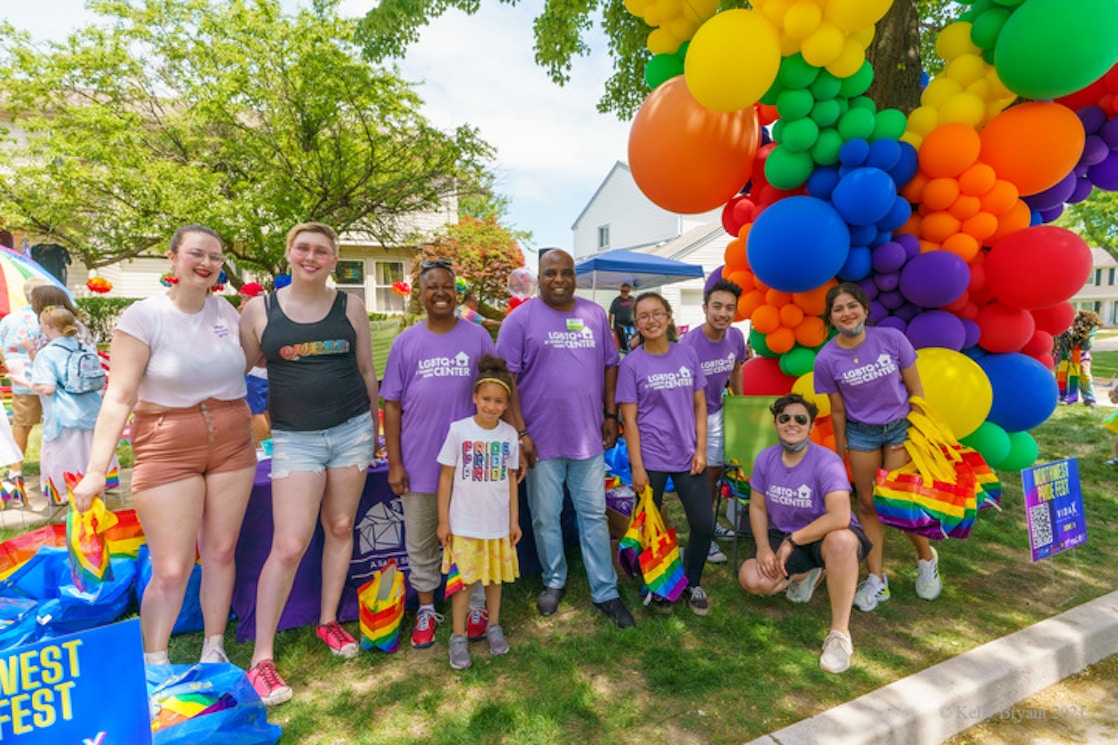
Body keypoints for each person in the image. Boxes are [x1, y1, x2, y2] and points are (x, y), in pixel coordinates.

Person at [73, 224, 256, 667]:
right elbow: (119, 397)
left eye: (215, 256)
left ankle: (215, 648)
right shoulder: (143, 315)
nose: (207, 263)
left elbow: (251, 366)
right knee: (171, 567)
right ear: (172, 258)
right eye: (197, 253)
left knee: (220, 551)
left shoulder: (229, 314)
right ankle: (153, 665)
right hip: (167, 445)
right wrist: (98, 470)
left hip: (233, 440)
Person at [239, 222, 379, 706]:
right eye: (303, 248)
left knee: (340, 526)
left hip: (352, 432)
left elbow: (365, 370)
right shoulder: (260, 309)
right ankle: (261, 658)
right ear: (289, 253)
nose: (311, 256)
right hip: (294, 440)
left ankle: (328, 623)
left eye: (322, 250)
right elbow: (237, 370)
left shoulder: (350, 306)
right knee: (291, 543)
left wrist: (375, 429)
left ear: (334, 260)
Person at [497, 249, 635, 628]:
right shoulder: (519, 320)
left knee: (592, 513)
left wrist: (610, 414)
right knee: (545, 517)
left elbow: (610, 366)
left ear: (574, 276)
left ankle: (605, 591)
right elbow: (506, 379)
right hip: (539, 441)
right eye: (550, 273)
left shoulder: (593, 315)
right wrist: (520, 431)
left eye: (566, 273)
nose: (559, 280)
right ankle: (553, 579)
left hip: (588, 437)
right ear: (538, 278)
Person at [382, 259, 495, 650]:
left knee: (472, 537)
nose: (441, 293)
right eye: (432, 287)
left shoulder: (479, 338)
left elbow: (497, 389)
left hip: (471, 465)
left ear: (457, 292)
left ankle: (476, 605)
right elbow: (392, 406)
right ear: (420, 294)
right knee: (422, 541)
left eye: (447, 286)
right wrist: (395, 462)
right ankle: (428, 608)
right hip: (419, 462)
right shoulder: (406, 342)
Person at [813, 282, 941, 612]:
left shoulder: (892, 339)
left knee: (898, 503)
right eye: (838, 309)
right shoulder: (826, 359)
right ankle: (877, 580)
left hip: (899, 427)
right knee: (867, 505)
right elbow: (838, 409)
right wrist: (839, 449)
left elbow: (916, 391)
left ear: (865, 310)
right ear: (831, 317)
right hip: (861, 434)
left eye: (851, 306)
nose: (846, 313)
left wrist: (918, 429)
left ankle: (926, 559)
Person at [737, 393, 870, 674]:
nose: (792, 424)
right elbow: (758, 508)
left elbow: (840, 516)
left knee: (842, 541)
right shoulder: (765, 459)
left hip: (824, 534)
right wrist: (763, 547)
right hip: (784, 532)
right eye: (784, 418)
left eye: (801, 419)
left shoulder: (827, 462)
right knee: (752, 579)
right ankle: (805, 574)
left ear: (811, 427)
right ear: (775, 423)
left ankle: (839, 634)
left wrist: (791, 542)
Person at [617, 292, 712, 615]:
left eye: (657, 313)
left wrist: (701, 449)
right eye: (643, 316)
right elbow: (628, 420)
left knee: (703, 523)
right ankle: (657, 585)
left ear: (669, 317)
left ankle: (693, 580)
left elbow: (701, 405)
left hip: (688, 456)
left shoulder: (687, 355)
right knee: (648, 527)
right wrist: (638, 468)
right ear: (636, 325)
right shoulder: (631, 364)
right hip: (651, 458)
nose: (651, 320)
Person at [436, 355, 521, 670]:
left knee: (494, 579)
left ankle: (493, 626)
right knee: (464, 582)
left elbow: (512, 480)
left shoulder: (510, 435)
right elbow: (445, 477)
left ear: (506, 404)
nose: (491, 406)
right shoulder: (459, 431)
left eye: (499, 401)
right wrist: (444, 521)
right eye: (486, 399)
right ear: (474, 398)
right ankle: (458, 637)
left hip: (497, 524)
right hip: (465, 524)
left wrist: (513, 521)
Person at [681, 278, 747, 564]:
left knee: (715, 473)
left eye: (729, 308)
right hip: (691, 416)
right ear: (705, 307)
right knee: (699, 474)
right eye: (717, 306)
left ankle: (706, 523)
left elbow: (735, 369)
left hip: (718, 412)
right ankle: (701, 534)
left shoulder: (735, 337)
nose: (723, 313)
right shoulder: (689, 343)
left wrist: (740, 403)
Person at [29, 306, 114, 504]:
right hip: (91, 411)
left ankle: (65, 496)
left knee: (62, 458)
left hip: (62, 417)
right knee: (89, 454)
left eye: (41, 323)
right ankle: (96, 491)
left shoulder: (47, 353)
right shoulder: (84, 348)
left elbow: (48, 388)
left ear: (48, 326)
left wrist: (26, 383)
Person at [0, 277, 50, 475]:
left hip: (21, 378)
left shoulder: (10, 319)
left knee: (22, 425)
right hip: (49, 378)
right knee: (56, 425)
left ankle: (15, 470)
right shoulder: (49, 317)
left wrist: (9, 366)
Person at [236, 282, 272, 447]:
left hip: (256, 372)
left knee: (255, 413)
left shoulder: (255, 316)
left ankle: (263, 448)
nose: (242, 303)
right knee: (265, 410)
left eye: (244, 298)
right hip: (269, 372)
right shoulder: (271, 313)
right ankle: (270, 444)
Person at [1055, 310, 1102, 406]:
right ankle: (1061, 396)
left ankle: (1089, 399)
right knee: (1061, 374)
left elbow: (1087, 346)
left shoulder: (1090, 331)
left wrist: (1084, 335)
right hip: (1065, 355)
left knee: (1085, 374)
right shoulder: (1068, 329)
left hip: (1082, 355)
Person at [608, 283, 635, 353]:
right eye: (622, 291)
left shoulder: (633, 300)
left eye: (625, 291)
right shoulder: (616, 301)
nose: (623, 293)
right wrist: (609, 327)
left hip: (631, 325)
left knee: (632, 343)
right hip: (620, 326)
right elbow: (610, 314)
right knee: (622, 344)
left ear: (629, 291)